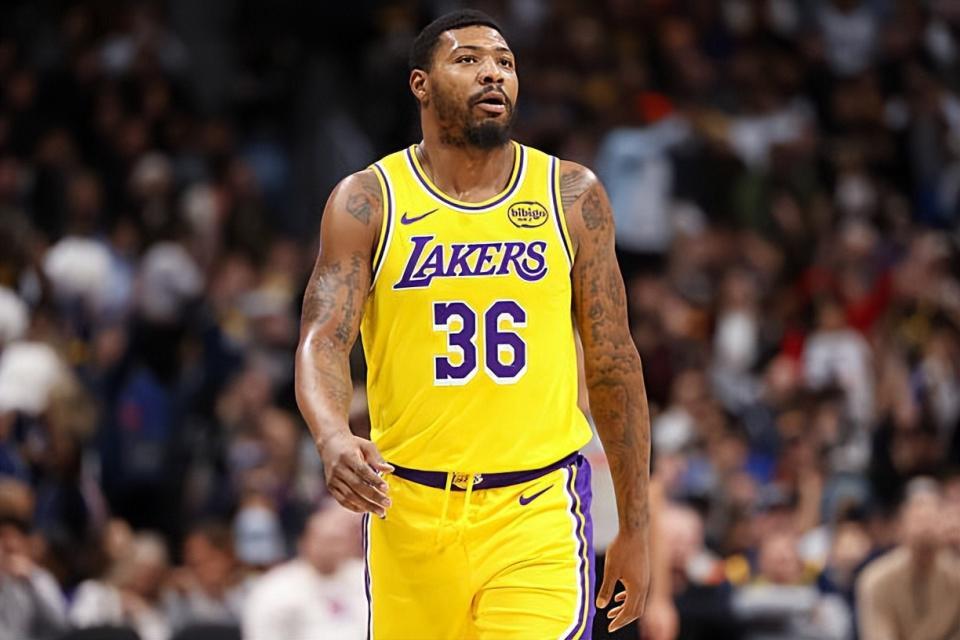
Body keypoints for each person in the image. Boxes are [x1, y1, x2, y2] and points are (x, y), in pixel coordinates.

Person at [294, 9, 652, 639]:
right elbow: (323, 338)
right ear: (420, 83)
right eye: (468, 60)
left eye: (505, 63)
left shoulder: (570, 195)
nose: (494, 73)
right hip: (406, 511)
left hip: (536, 511)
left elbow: (614, 362)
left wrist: (636, 527)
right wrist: (331, 436)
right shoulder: (368, 200)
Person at [242, 503, 366, 640]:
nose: (331, 548)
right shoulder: (275, 587)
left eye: (338, 540)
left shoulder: (363, 577)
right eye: (325, 540)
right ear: (304, 542)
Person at [856, 479, 960, 640]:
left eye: (933, 515)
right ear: (900, 524)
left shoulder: (956, 577)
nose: (926, 526)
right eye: (918, 517)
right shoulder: (876, 580)